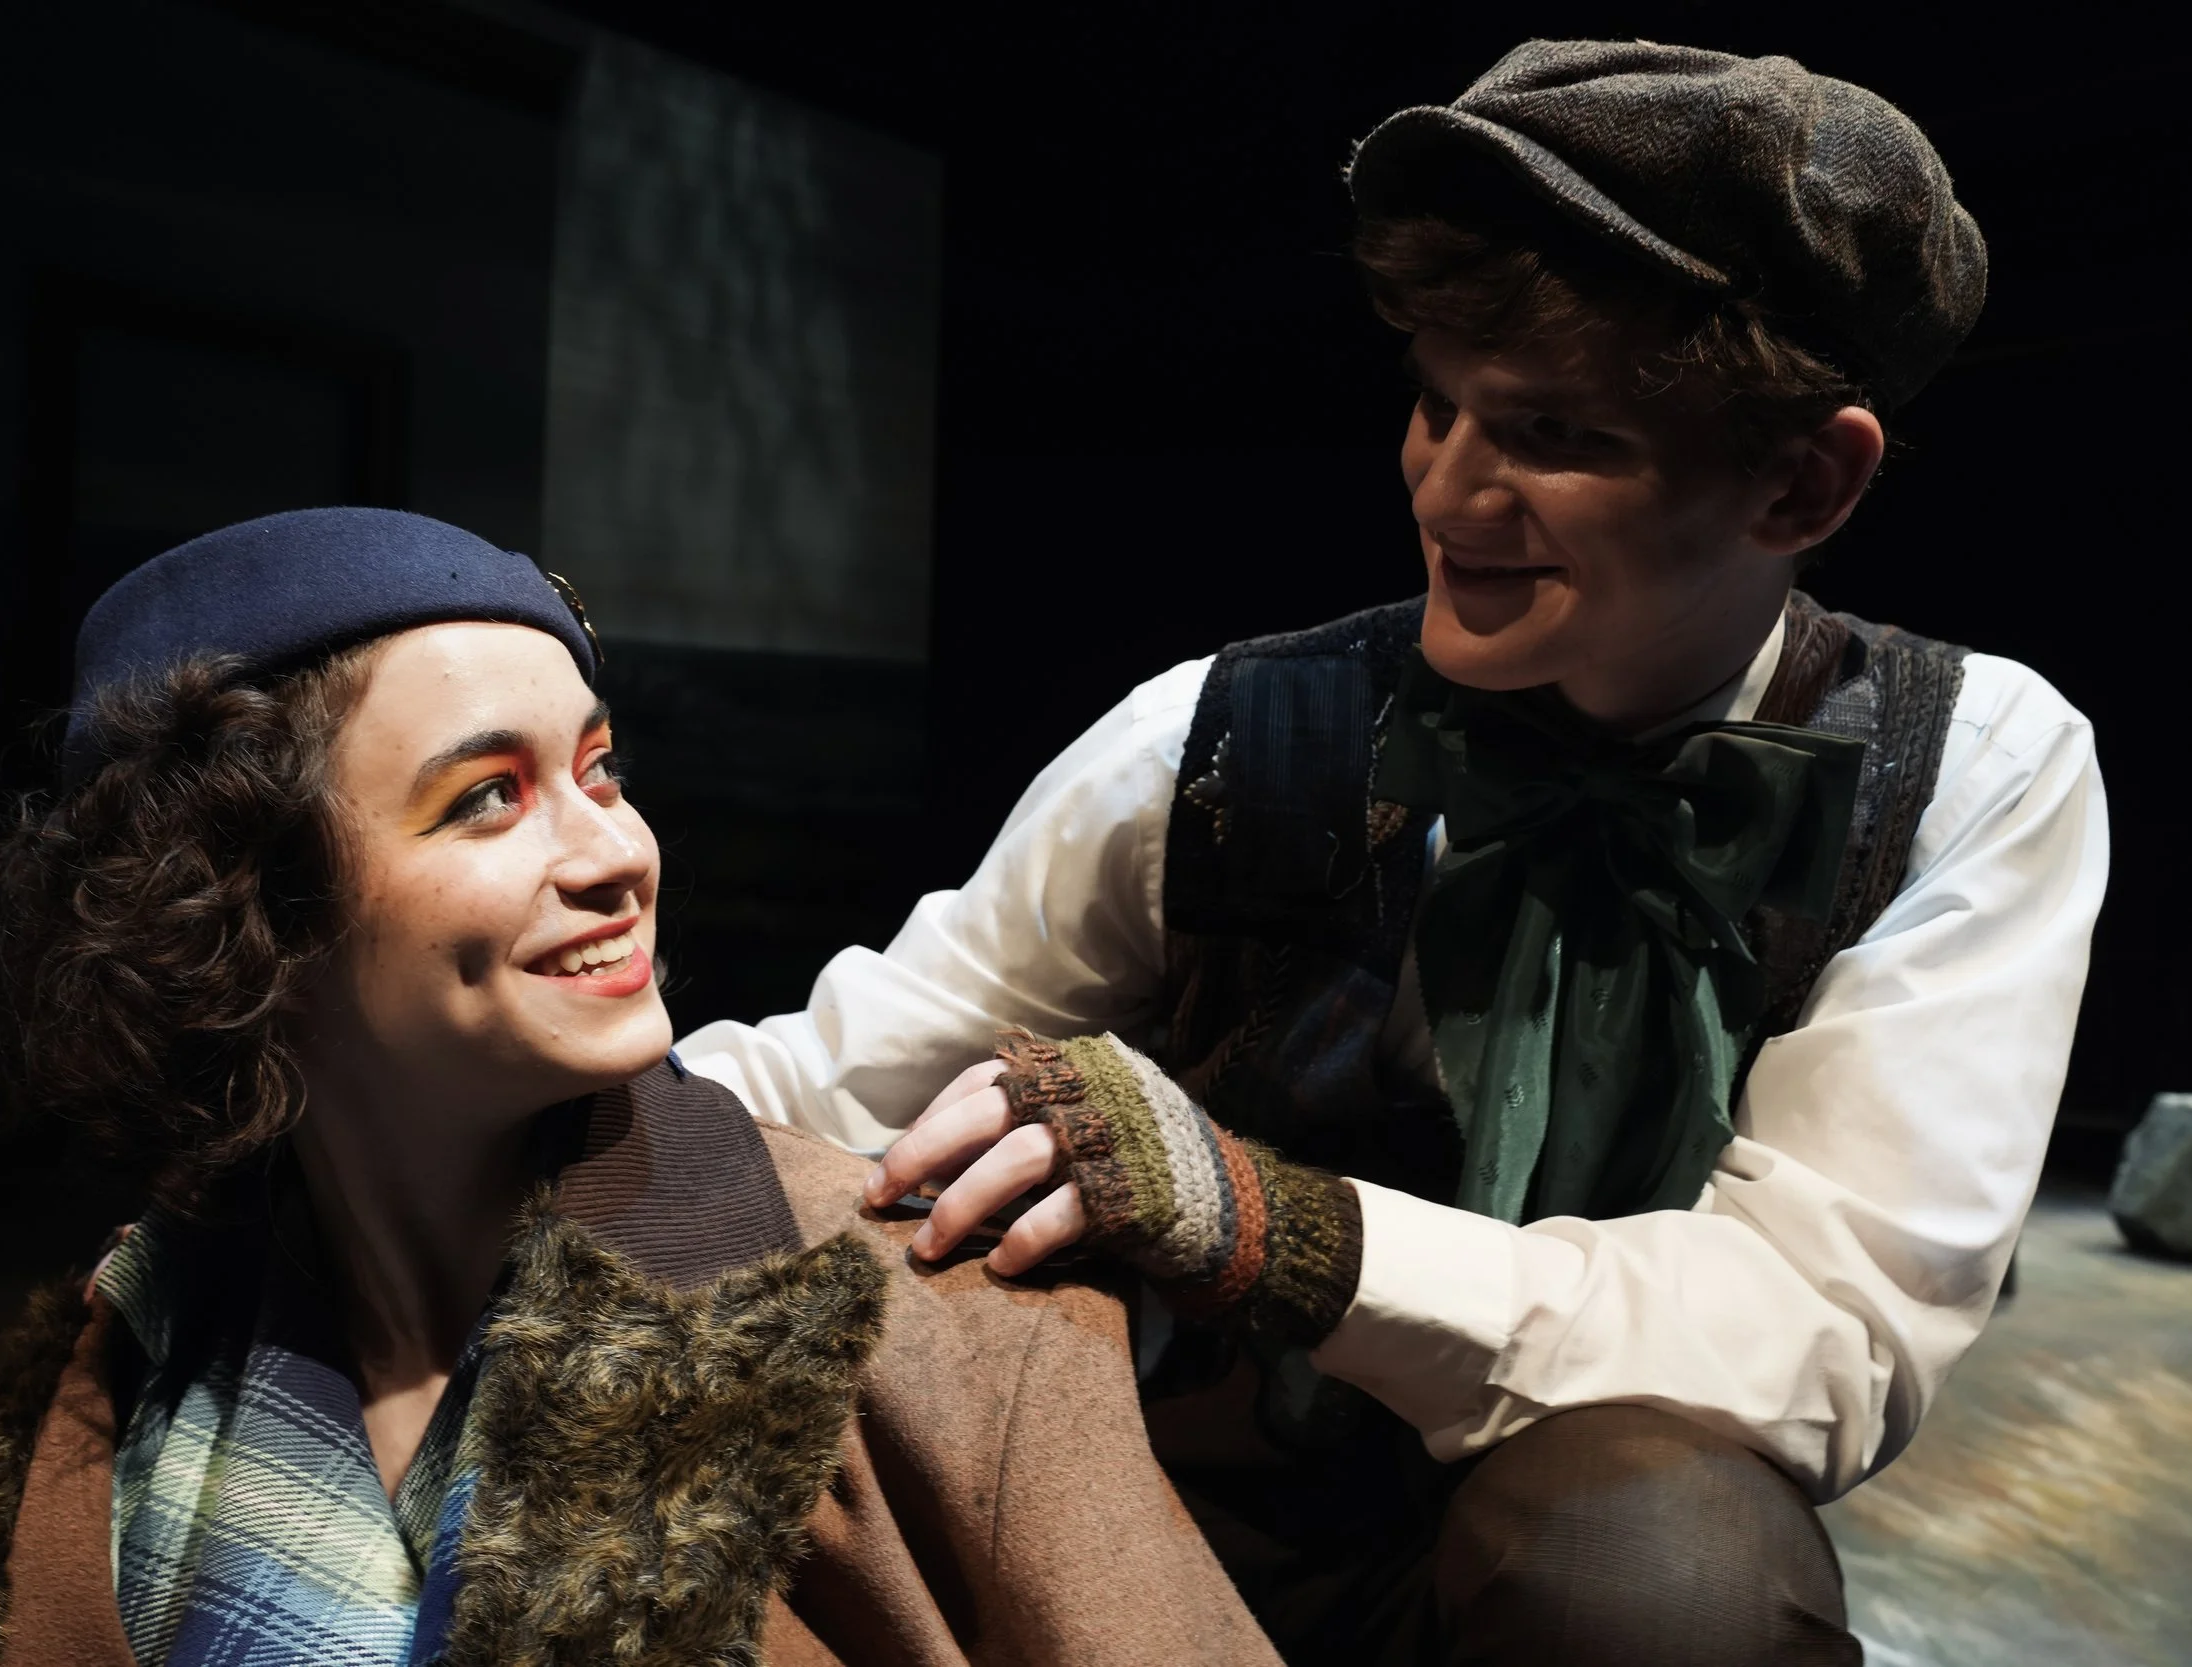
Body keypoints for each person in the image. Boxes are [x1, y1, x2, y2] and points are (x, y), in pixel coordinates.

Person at [679, 41, 2109, 1666]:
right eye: (1436, 401)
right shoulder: (1225, 735)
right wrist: (509, 1105)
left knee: (1668, 1574)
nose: (1447, 486)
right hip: (1152, 1520)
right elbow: (843, 1075)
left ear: (1803, 480)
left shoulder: (1967, 767)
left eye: (1552, 430)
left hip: (1555, 1568)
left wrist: (1273, 1225)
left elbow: (1818, 1328)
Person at [0, 508, 1280, 1666]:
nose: (616, 852)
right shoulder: (18, 1472)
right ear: (244, 911)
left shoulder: (944, 1339)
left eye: (601, 769)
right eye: (487, 797)